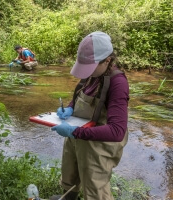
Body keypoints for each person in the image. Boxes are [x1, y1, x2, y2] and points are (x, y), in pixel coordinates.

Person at [50, 31, 129, 200]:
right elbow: (80, 96)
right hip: (77, 133)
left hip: (99, 143)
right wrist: (70, 108)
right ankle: (69, 197)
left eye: (90, 68)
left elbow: (117, 131)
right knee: (69, 171)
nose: (86, 72)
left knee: (94, 187)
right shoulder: (91, 75)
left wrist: (75, 132)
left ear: (107, 60)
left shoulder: (118, 83)